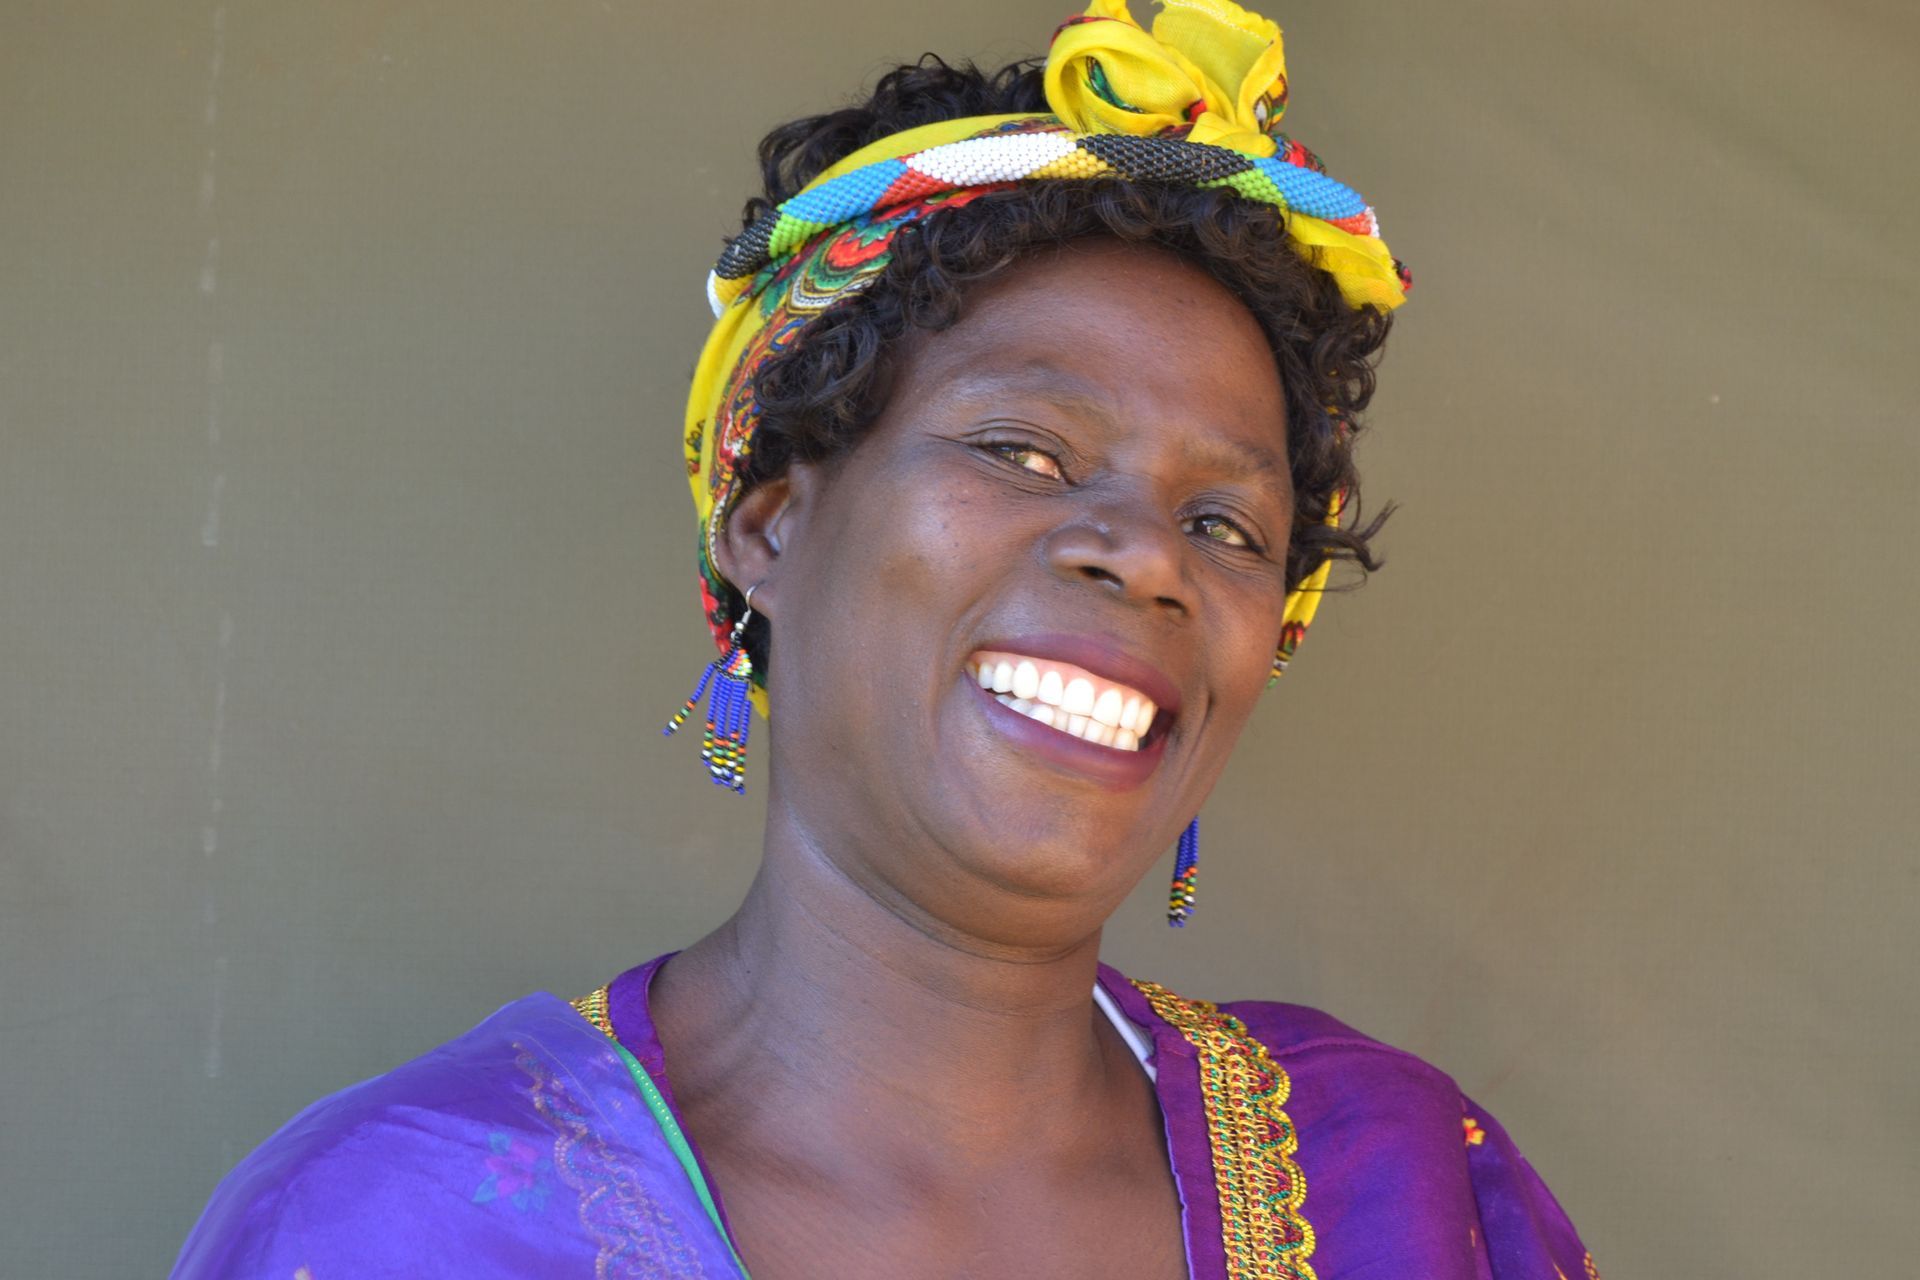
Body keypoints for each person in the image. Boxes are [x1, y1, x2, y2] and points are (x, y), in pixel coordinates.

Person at [173, 2, 1598, 1276]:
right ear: (774, 525)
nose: (1145, 553)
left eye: (1228, 528)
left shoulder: (1400, 1196)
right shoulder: (399, 1230)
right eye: (1026, 451)